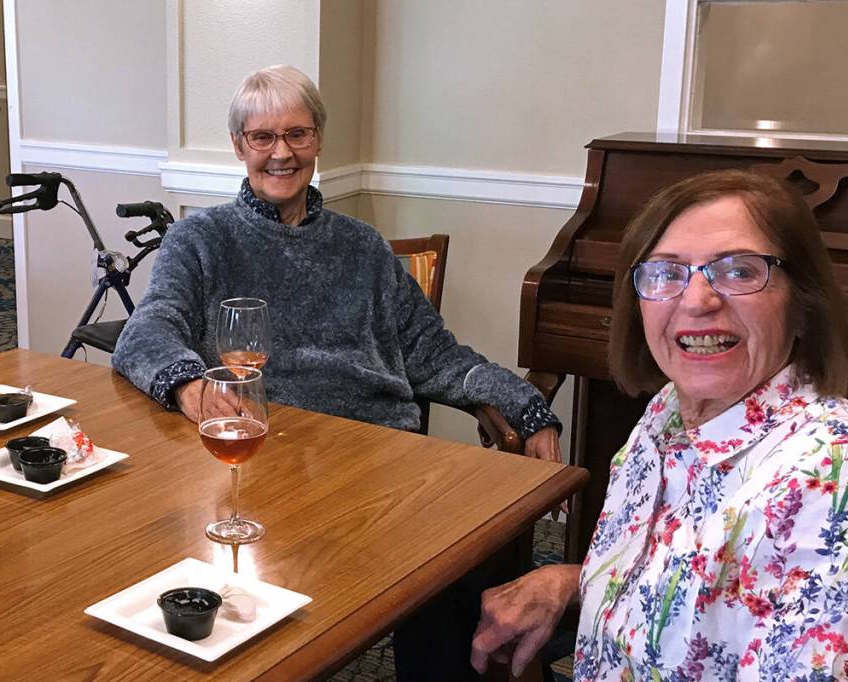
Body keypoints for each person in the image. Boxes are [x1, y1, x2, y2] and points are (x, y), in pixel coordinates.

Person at [112, 64, 561, 679]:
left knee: (459, 569)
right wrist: (192, 384)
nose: (281, 153)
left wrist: (525, 404)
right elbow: (147, 331)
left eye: (297, 134)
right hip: (272, 462)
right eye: (262, 137)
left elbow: (434, 354)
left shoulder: (363, 247)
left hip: (381, 464)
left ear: (319, 140)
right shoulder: (201, 239)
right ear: (239, 145)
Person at [471, 170, 848, 680]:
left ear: (803, 304)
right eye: (666, 273)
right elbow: (700, 580)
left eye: (739, 271)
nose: (696, 301)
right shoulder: (669, 410)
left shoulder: (836, 477)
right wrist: (573, 580)